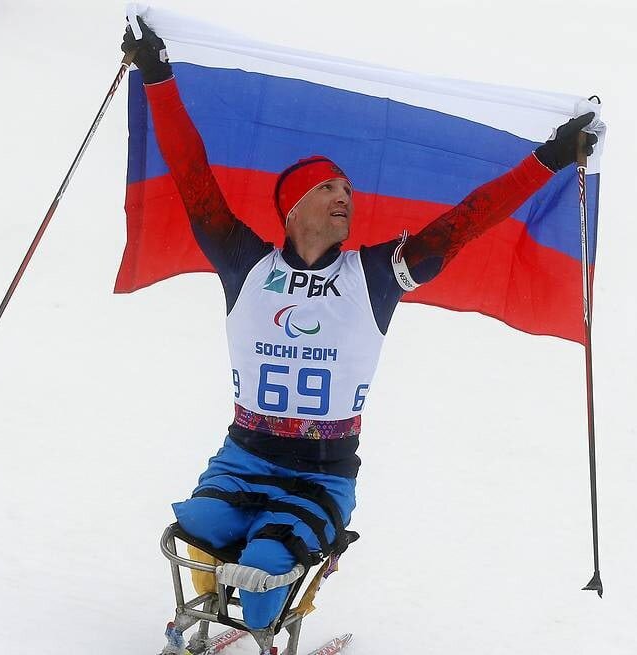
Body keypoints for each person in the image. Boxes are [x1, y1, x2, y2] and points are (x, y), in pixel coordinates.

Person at [122, 18, 596, 630]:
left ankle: (278, 600)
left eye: (348, 187)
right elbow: (192, 177)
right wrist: (157, 75)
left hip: (320, 472)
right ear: (293, 206)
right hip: (242, 458)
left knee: (263, 585)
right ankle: (214, 600)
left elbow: (469, 219)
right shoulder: (244, 262)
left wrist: (551, 158)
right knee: (196, 528)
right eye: (328, 187)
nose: (345, 194)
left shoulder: (375, 275)